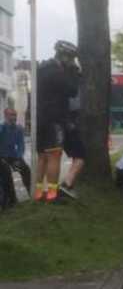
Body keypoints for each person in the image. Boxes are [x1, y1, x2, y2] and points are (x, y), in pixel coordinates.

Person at [35, 40, 80, 202]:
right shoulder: (57, 72)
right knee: (54, 155)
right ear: (65, 57)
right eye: (71, 59)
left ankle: (39, 192)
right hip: (54, 118)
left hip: (39, 117)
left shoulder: (42, 68)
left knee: (42, 156)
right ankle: (53, 194)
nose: (72, 62)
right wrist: (74, 72)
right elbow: (72, 91)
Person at [60, 91, 85, 199]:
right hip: (69, 128)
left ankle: (67, 183)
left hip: (63, 128)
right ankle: (67, 184)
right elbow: (75, 107)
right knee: (81, 156)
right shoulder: (71, 89)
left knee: (77, 156)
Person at [0, 108, 31, 194]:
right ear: (5, 116)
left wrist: (18, 158)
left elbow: (21, 145)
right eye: (11, 115)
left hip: (13, 156)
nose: (14, 117)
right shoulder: (1, 128)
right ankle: (10, 199)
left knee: (25, 169)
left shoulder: (19, 129)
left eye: (15, 115)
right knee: (6, 172)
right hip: (1, 156)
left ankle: (31, 192)